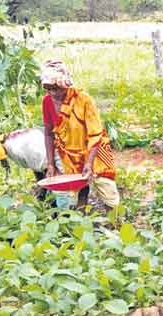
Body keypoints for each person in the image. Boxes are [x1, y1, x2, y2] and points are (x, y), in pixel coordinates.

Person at [40, 59, 119, 210]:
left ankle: (116, 221)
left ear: (65, 84)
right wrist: (50, 164)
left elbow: (95, 134)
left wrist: (89, 163)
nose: (53, 93)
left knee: (107, 191)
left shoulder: (83, 100)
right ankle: (81, 218)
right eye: (48, 89)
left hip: (95, 151)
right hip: (69, 155)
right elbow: (48, 134)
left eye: (56, 88)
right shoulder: (47, 102)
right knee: (76, 193)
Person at [0, 128, 50, 199]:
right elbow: (36, 165)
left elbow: (48, 168)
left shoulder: (15, 148)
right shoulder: (11, 141)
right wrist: (39, 185)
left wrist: (42, 189)